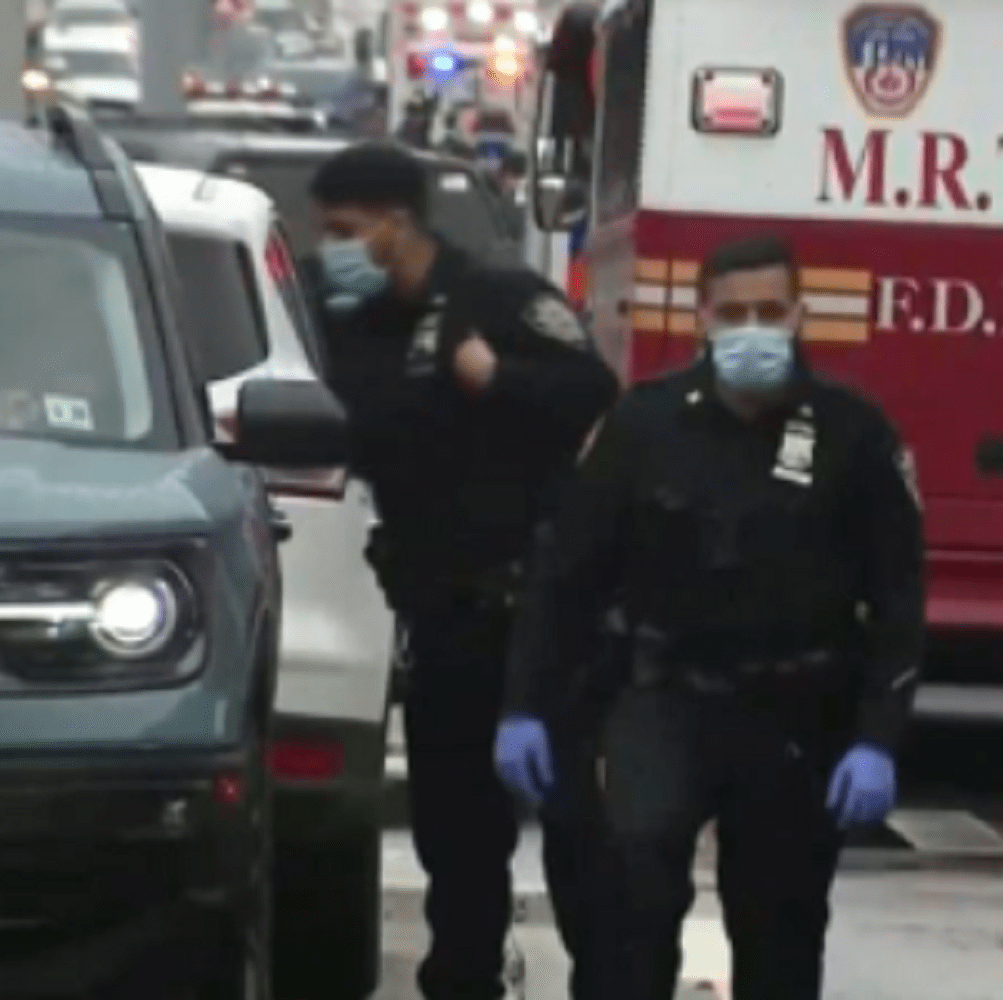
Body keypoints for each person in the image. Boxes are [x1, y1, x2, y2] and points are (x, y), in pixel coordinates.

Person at [497, 233, 926, 1000]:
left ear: (800, 314)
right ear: (702, 317)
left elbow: (898, 596)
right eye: (733, 313)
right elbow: (566, 577)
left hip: (797, 712)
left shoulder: (852, 432)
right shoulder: (646, 425)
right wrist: (524, 706)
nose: (752, 327)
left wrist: (877, 739)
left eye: (769, 310)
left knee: (782, 928)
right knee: (630, 904)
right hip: (665, 701)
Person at [308, 142, 617, 1000]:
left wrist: (496, 378)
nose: (330, 244)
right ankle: (465, 980)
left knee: (576, 830)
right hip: (443, 618)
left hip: (542, 615)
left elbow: (592, 389)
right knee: (456, 832)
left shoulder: (497, 297)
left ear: (395, 224)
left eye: (344, 229)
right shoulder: (353, 324)